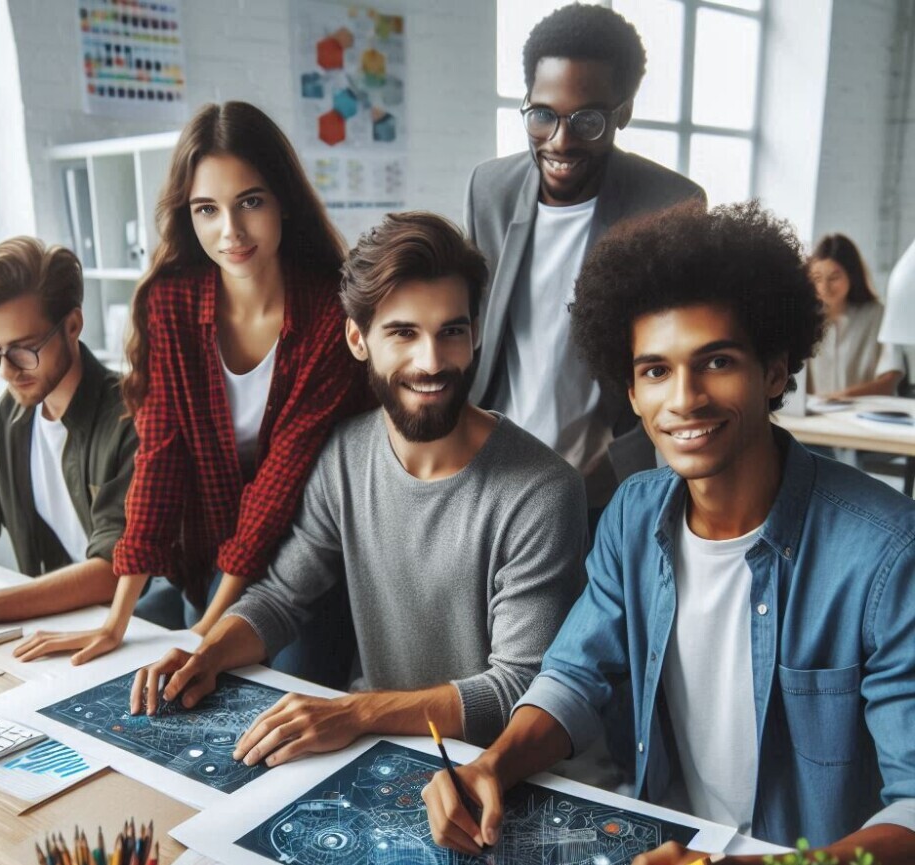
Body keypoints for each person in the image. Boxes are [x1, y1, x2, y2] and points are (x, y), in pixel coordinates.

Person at [423, 201, 915, 863]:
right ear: (630, 390)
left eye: (715, 362)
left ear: (774, 369)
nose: (683, 398)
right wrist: (494, 764)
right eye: (655, 370)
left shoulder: (886, 554)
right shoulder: (633, 513)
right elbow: (574, 674)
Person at [129, 212, 587, 764]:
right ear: (357, 338)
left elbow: (516, 688)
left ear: (475, 334)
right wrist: (206, 654)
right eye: (403, 333)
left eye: (452, 332)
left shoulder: (542, 491)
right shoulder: (344, 453)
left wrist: (356, 712)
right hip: (374, 752)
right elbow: (280, 598)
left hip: (491, 774)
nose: (432, 362)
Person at [14, 102, 370, 679]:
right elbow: (160, 461)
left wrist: (208, 632)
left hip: (306, 563)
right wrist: (116, 620)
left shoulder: (331, 314)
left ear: (283, 199)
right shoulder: (172, 303)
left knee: (278, 703)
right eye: (208, 209)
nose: (230, 232)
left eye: (250, 201)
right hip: (205, 555)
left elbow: (281, 482)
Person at [467, 3, 705, 521]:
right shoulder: (489, 189)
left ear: (624, 111)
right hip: (491, 470)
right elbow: (473, 325)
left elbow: (678, 352)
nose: (560, 141)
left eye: (588, 120)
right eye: (543, 115)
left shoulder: (670, 206)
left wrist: (622, 461)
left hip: (601, 483)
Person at [0, 238, 138, 630]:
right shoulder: (10, 415)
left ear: (72, 325)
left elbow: (115, 567)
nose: (7, 371)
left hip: (138, 631)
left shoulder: (131, 417)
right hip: (57, 626)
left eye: (23, 349)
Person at [807, 233, 902, 398]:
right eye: (817, 278)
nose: (824, 287)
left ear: (852, 275)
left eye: (834, 277)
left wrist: (843, 397)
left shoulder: (877, 314)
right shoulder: (806, 320)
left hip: (865, 414)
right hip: (817, 416)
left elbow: (891, 377)